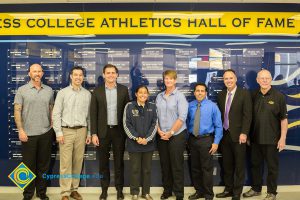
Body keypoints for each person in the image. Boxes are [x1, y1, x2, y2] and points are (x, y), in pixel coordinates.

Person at [243, 69, 288, 200]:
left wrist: (283, 138)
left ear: (270, 79)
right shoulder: (252, 95)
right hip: (255, 139)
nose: (264, 80)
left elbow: (283, 120)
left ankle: (272, 192)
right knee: (255, 166)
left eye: (267, 78)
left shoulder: (279, 96)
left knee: (272, 168)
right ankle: (256, 189)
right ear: (257, 80)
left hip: (272, 140)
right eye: (261, 78)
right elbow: (247, 117)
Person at [14, 63, 54, 200]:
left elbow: (51, 109)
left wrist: (52, 127)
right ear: (29, 73)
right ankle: (27, 194)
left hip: (46, 133)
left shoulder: (49, 90)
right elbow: (17, 111)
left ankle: (41, 192)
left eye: (39, 71)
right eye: (34, 71)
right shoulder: (22, 90)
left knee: (44, 165)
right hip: (28, 134)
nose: (37, 73)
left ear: (42, 73)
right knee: (27, 165)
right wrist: (20, 130)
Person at [90, 64, 130, 200]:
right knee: (103, 163)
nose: (111, 75)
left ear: (117, 75)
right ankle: (104, 190)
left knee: (119, 162)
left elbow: (127, 113)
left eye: (113, 73)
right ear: (104, 74)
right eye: (108, 73)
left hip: (119, 132)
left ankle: (119, 190)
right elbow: (93, 113)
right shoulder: (97, 91)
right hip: (102, 132)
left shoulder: (124, 90)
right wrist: (94, 133)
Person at [52, 66, 91, 200]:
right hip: (66, 131)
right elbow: (56, 113)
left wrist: (89, 133)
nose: (78, 77)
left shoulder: (87, 94)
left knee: (78, 162)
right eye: (76, 75)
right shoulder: (62, 93)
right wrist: (58, 132)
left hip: (82, 131)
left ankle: (74, 190)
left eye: (81, 75)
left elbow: (89, 117)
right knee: (65, 163)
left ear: (83, 77)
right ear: (71, 76)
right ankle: (64, 193)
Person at [216, 69, 252, 200]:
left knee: (239, 166)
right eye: (226, 79)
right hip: (225, 136)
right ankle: (228, 189)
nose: (228, 81)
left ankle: (237, 192)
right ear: (223, 80)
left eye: (231, 78)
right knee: (227, 165)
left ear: (236, 79)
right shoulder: (220, 95)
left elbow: (248, 116)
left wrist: (244, 133)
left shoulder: (244, 94)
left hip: (239, 136)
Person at [156, 70, 188, 200]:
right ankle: (167, 191)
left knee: (176, 165)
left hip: (177, 135)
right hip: (162, 135)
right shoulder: (159, 96)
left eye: (170, 79)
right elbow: (155, 116)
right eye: (166, 78)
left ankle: (179, 193)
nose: (168, 81)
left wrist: (171, 133)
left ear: (175, 80)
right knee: (165, 164)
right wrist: (159, 131)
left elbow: (182, 117)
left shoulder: (180, 96)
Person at [187, 83, 223, 200]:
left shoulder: (212, 106)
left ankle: (208, 194)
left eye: (202, 91)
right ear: (194, 93)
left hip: (206, 140)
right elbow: (187, 123)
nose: (200, 93)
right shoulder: (190, 105)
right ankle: (199, 192)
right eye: (197, 91)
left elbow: (218, 126)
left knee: (206, 169)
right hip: (193, 140)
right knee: (195, 168)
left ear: (206, 93)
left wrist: (216, 142)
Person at [123, 85, 158, 200]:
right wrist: (137, 138)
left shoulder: (153, 106)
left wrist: (147, 139)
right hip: (134, 144)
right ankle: (134, 193)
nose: (143, 94)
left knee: (147, 170)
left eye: (145, 93)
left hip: (148, 145)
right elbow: (126, 124)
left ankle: (146, 192)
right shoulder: (129, 106)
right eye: (140, 92)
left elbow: (155, 124)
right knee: (135, 169)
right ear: (136, 94)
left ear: (148, 95)